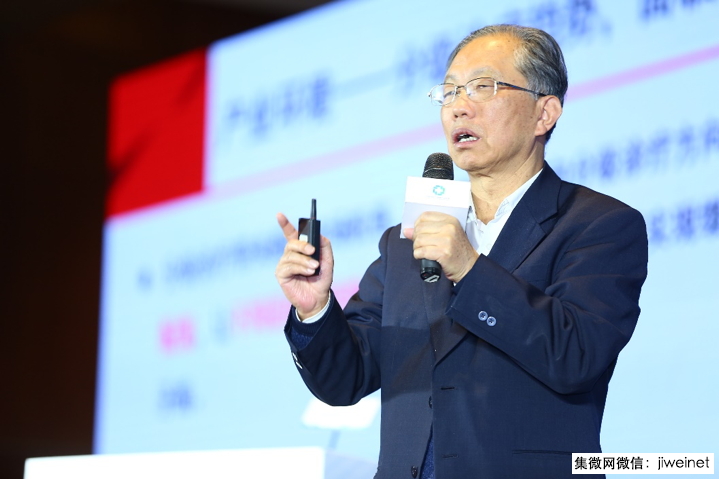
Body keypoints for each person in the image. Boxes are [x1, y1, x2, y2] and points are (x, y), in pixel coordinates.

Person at [275, 24, 648, 479]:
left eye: (483, 87)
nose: (458, 107)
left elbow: (576, 355)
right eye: (449, 92)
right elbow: (344, 379)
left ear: (544, 113)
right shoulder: (406, 241)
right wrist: (314, 311)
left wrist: (470, 270)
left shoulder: (599, 224)